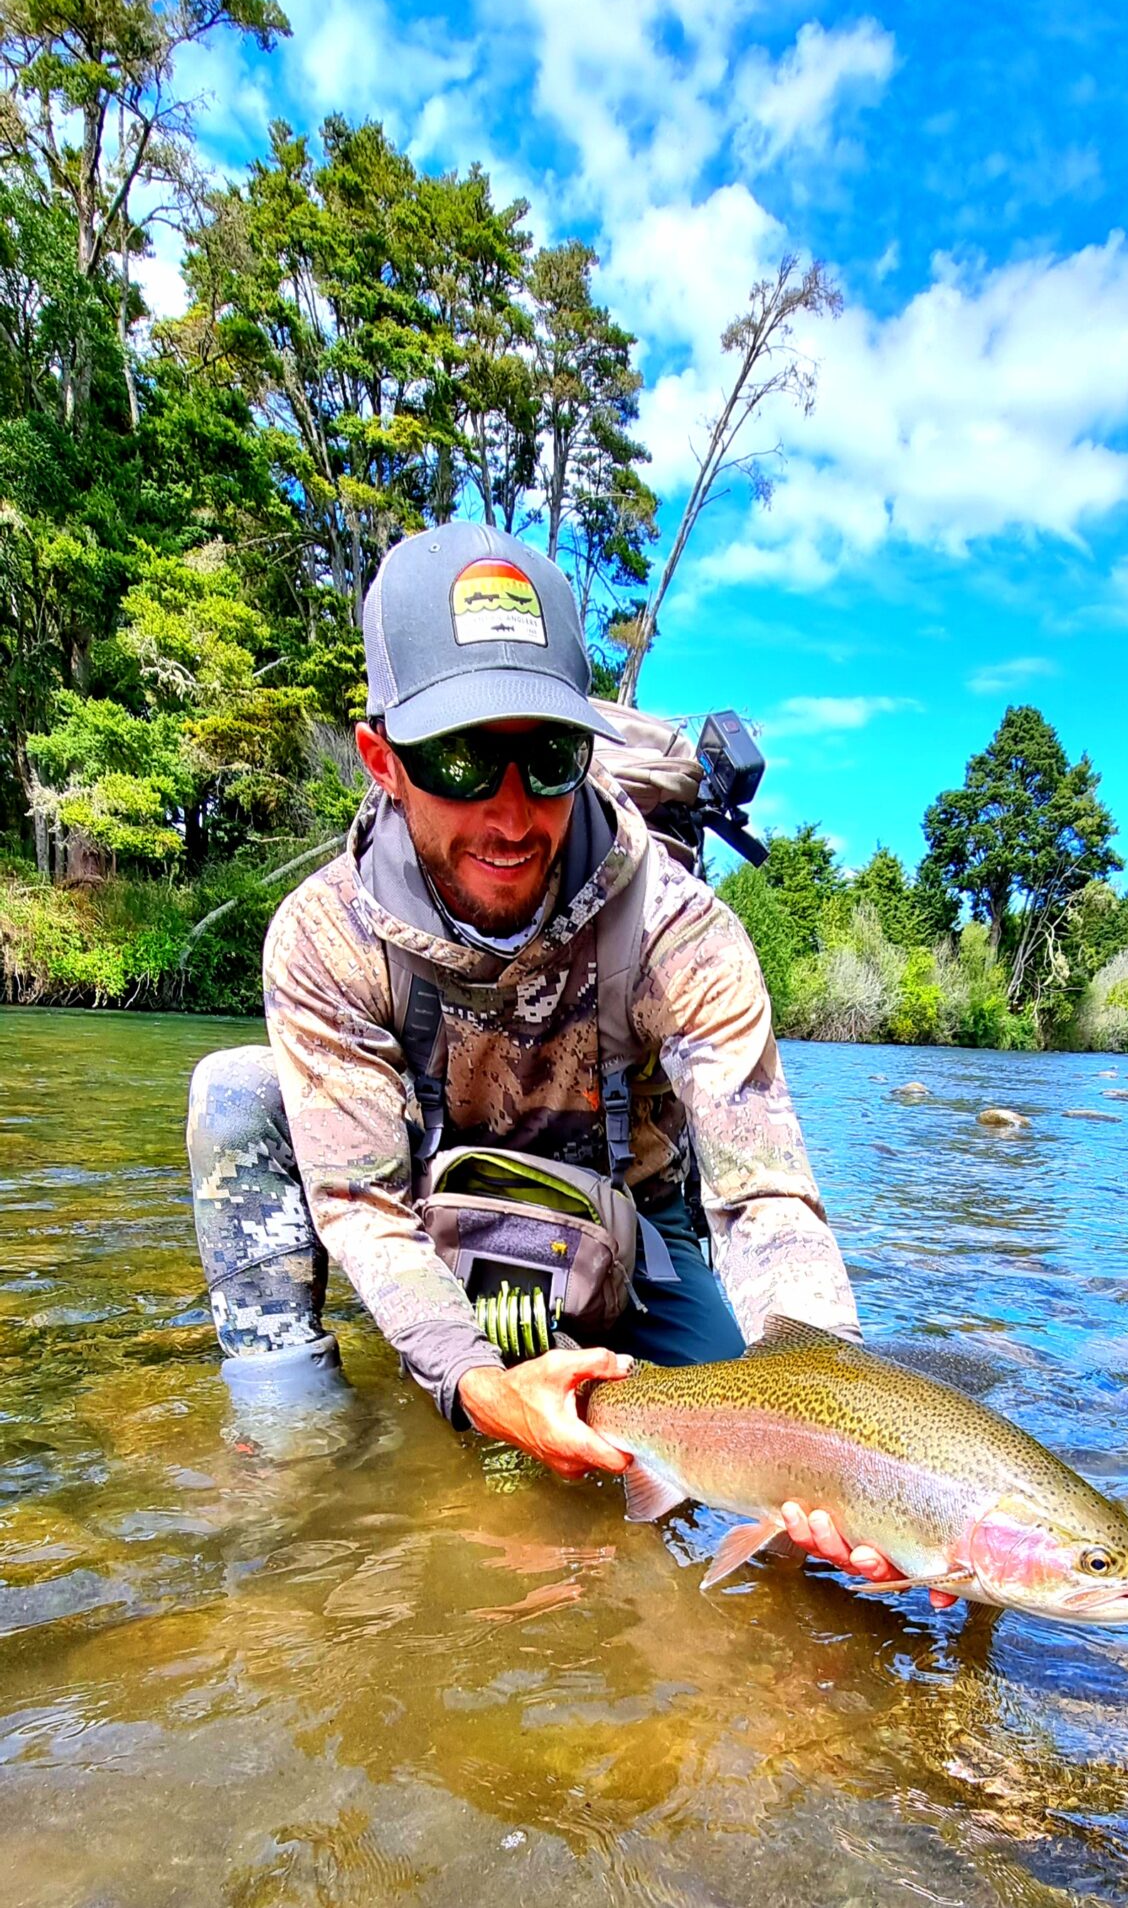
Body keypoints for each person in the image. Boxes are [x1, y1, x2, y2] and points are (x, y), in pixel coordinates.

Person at [186, 521, 948, 1600]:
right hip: (435, 1217)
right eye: (460, 760)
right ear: (382, 760)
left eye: (548, 759)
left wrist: (829, 1414)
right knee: (237, 1092)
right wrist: (474, 1382)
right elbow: (363, 1207)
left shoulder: (681, 929)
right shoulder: (323, 939)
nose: (509, 815)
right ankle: (290, 1437)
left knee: (769, 1514)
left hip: (633, 1226)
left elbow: (762, 1195)